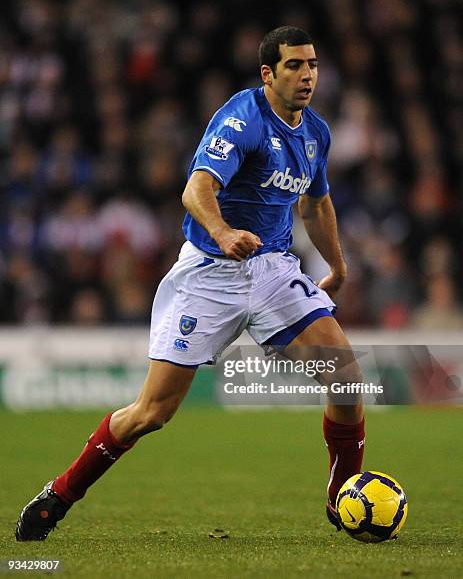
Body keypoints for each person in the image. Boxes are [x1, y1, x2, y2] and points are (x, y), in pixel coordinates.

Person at [16, 26, 365, 541]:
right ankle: (60, 494)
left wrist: (337, 264)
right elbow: (196, 188)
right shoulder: (241, 118)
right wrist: (222, 232)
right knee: (152, 413)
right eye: (294, 65)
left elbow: (315, 202)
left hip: (272, 271)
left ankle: (346, 499)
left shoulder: (316, 131)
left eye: (312, 64)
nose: (307, 75)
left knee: (346, 379)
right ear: (268, 73)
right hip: (210, 273)